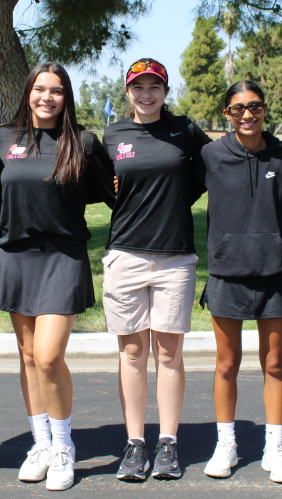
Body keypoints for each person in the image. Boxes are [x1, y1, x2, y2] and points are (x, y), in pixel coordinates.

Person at [0, 62, 115, 491]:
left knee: (47, 356)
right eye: (40, 89)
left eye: (56, 90)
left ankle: (63, 447)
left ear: (67, 97)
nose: (47, 97)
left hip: (63, 256)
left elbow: (111, 192)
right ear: (28, 92)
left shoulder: (84, 142)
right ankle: (40, 444)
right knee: (26, 356)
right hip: (16, 257)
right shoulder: (4, 138)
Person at [101, 58, 211, 481]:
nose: (146, 95)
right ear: (128, 92)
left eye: (155, 87)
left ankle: (167, 443)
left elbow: (206, 172)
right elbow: (105, 186)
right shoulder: (112, 135)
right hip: (125, 255)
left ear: (166, 92)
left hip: (175, 257)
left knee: (168, 353)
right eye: (138, 87)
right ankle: (134, 444)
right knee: (131, 353)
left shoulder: (185, 130)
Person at [197, 81, 282, 482]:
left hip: (274, 274)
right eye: (238, 108)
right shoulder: (211, 154)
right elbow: (175, 191)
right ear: (226, 113)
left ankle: (274, 449)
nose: (247, 114)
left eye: (255, 106)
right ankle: (225, 444)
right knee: (227, 365)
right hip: (227, 276)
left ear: (265, 109)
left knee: (274, 364)